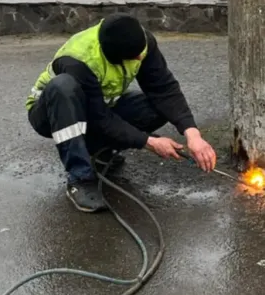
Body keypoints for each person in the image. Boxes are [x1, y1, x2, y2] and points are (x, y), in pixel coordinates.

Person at [27, 13, 217, 212]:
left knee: (158, 109)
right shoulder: (79, 60)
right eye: (134, 56)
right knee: (63, 87)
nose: (139, 57)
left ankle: (98, 150)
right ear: (115, 56)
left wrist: (192, 134)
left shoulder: (140, 42)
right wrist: (148, 141)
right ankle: (80, 178)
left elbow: (164, 89)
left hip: (97, 108)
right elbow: (99, 118)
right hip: (52, 113)